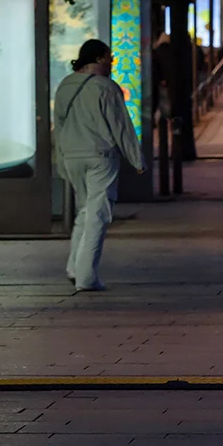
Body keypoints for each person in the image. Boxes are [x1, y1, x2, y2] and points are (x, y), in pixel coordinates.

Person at [54, 39, 144, 292]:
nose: (111, 64)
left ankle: (74, 266)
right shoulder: (107, 87)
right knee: (98, 214)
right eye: (109, 58)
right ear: (98, 58)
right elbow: (121, 126)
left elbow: (58, 125)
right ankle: (86, 276)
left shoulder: (64, 85)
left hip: (72, 156)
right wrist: (137, 160)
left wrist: (61, 160)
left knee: (85, 210)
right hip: (100, 156)